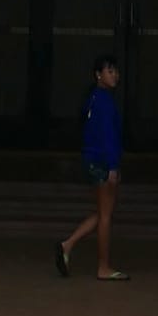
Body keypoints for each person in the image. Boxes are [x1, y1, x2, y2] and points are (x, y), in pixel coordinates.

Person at [56, 53, 126, 281]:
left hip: (92, 161)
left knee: (101, 212)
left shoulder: (93, 99)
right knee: (105, 215)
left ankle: (67, 245)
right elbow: (109, 138)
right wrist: (113, 167)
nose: (114, 75)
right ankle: (103, 267)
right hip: (103, 163)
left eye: (115, 70)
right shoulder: (105, 101)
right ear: (98, 74)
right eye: (109, 71)